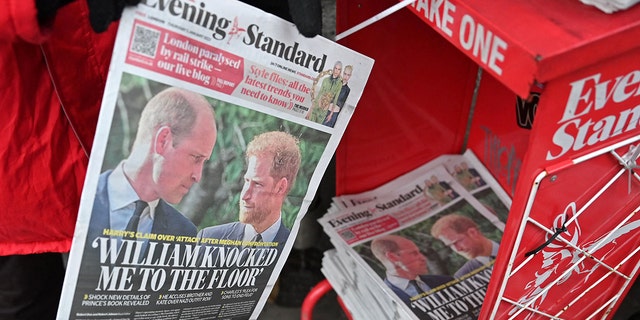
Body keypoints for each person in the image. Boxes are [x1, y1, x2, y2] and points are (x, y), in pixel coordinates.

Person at [198, 131, 301, 250]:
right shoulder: (208, 240)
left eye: (257, 184)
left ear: (280, 187)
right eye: (247, 181)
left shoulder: (293, 252)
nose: (244, 195)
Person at [370, 234, 454, 305]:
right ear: (392, 257)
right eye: (414, 253)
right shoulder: (382, 301)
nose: (423, 258)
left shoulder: (445, 281)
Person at [430, 213, 500, 278]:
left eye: (457, 242)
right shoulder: (463, 277)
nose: (457, 249)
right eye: (450, 245)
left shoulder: (510, 245)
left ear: (473, 232)